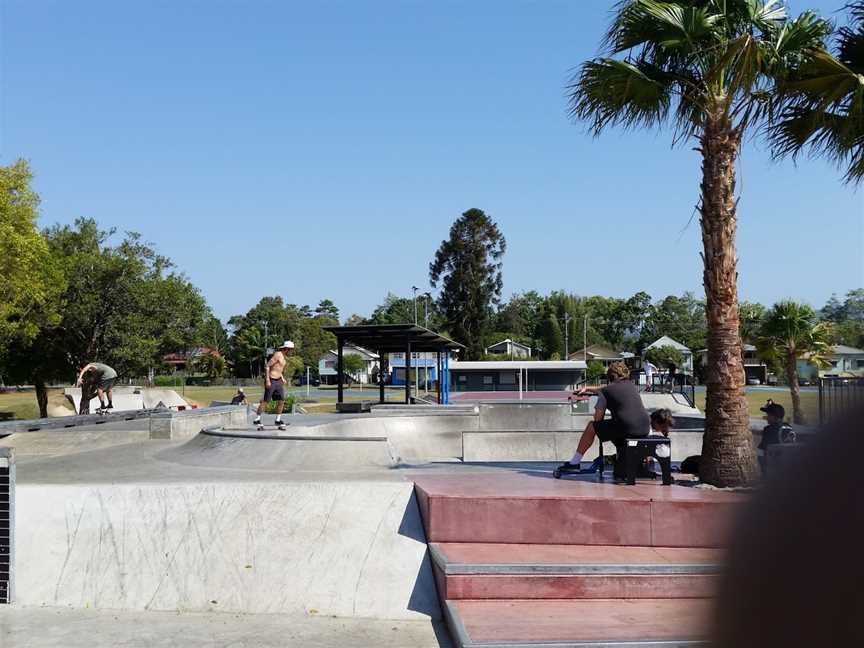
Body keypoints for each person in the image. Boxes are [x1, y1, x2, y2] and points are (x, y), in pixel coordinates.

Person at [563, 361, 650, 469]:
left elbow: (598, 419)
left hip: (628, 429)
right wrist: (588, 388)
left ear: (609, 377)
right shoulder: (631, 386)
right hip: (645, 428)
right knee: (616, 424)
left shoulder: (606, 391)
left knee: (592, 426)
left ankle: (574, 462)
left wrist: (600, 402)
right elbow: (603, 389)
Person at [252, 340, 294, 429]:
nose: (292, 352)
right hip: (271, 380)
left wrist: (282, 378)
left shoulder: (284, 356)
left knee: (282, 400)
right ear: (287, 349)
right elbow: (267, 366)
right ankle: (257, 419)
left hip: (278, 380)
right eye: (291, 350)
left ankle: (278, 420)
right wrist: (267, 380)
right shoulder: (278, 354)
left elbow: (278, 368)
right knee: (266, 401)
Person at [757, 400, 791, 476]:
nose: (766, 417)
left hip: (776, 467)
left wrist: (763, 469)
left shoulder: (769, 429)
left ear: (774, 416)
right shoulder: (789, 427)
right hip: (790, 464)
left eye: (768, 415)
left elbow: (761, 450)